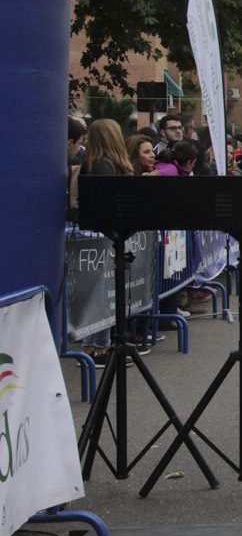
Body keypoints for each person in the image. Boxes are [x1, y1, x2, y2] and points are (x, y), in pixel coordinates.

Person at [80, 119, 135, 367]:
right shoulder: (104, 165)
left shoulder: (96, 163)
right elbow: (106, 203)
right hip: (103, 235)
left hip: (100, 234)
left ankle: (95, 346)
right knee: (103, 295)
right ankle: (100, 348)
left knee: (99, 295)